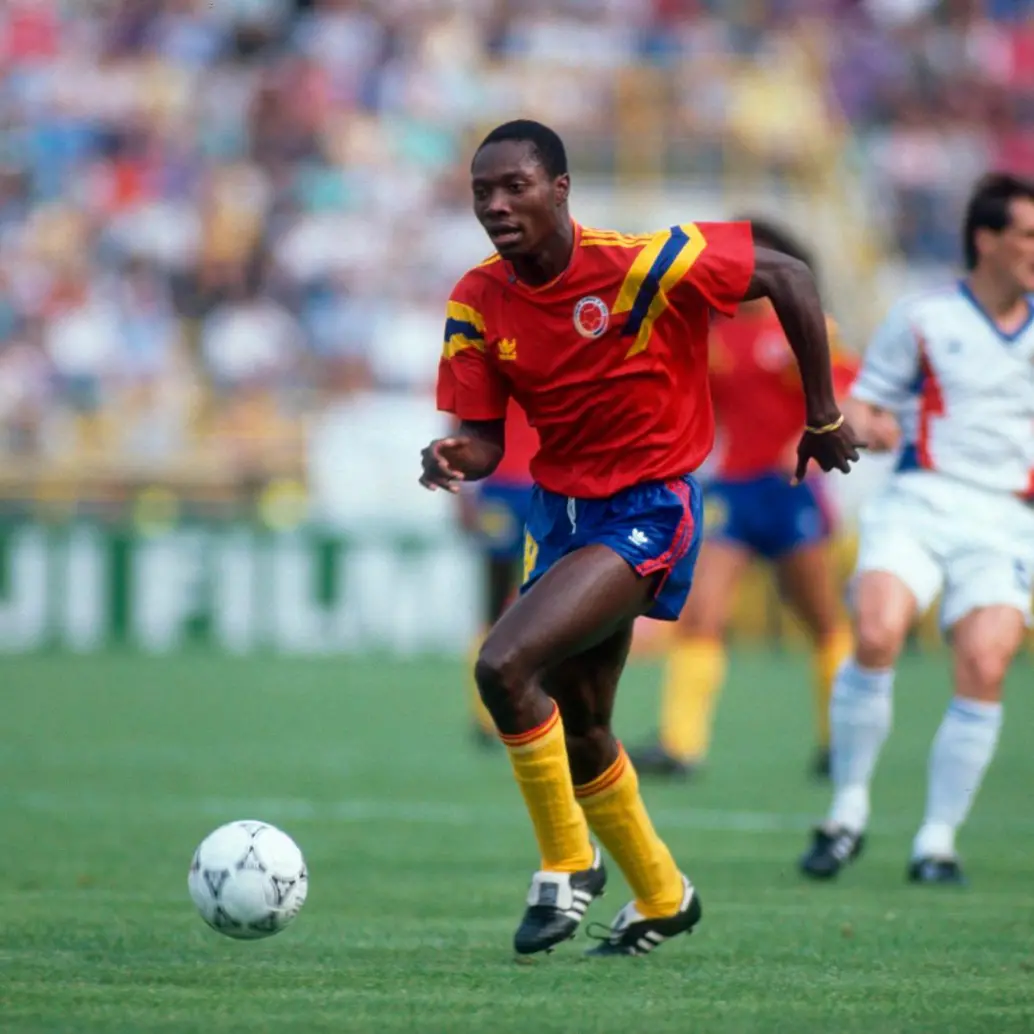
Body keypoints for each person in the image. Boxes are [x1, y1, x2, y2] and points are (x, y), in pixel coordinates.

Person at [418, 119, 861, 957]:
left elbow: (793, 277)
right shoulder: (476, 298)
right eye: (483, 192)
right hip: (562, 517)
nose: (497, 205)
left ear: (560, 190)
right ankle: (662, 894)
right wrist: (456, 455)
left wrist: (822, 414)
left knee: (505, 665)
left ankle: (567, 862)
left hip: (650, 510)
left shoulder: (644, 262)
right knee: (584, 724)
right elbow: (482, 433)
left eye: (515, 186)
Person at [799, 172, 1034, 886]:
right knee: (875, 632)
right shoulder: (924, 316)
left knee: (986, 663)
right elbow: (867, 406)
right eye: (1027, 234)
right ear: (986, 240)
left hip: (1006, 519)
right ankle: (846, 812)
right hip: (921, 501)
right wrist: (865, 425)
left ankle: (936, 840)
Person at [630, 219, 858, 782]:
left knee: (822, 618)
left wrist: (801, 438)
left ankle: (843, 739)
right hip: (733, 489)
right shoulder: (714, 333)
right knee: (702, 612)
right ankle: (681, 745)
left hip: (793, 490)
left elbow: (848, 387)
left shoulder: (807, 326)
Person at [459, 398, 537, 746]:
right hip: (501, 488)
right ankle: (486, 713)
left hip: (548, 484)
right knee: (495, 599)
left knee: (545, 601)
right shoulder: (490, 348)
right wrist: (461, 490)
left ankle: (537, 705)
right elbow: (467, 422)